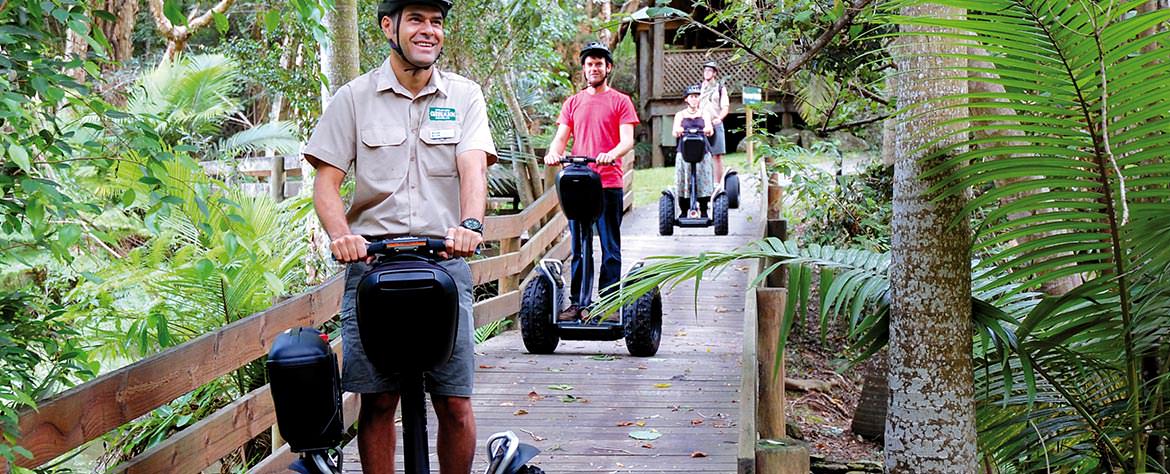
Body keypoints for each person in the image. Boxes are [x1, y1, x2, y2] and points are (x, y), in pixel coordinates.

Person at [302, 0, 497, 472]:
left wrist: (470, 225)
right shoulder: (353, 97)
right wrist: (340, 236)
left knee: (454, 403)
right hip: (372, 265)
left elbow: (473, 167)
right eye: (417, 20)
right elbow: (325, 184)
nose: (429, 31)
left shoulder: (464, 95)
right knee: (379, 401)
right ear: (389, 26)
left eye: (436, 22)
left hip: (444, 261)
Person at [542, 41, 639, 322]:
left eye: (599, 63)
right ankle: (578, 303)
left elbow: (627, 140)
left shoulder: (621, 101)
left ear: (608, 68)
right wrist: (553, 154)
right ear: (583, 70)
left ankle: (607, 304)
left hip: (608, 182)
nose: (594, 68)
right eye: (589, 64)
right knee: (579, 246)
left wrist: (611, 154)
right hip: (578, 183)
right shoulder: (573, 102)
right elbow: (561, 138)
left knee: (609, 247)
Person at [673, 84, 715, 218]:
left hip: (702, 151)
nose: (694, 99)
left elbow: (710, 128)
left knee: (703, 179)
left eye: (696, 97)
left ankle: (703, 209)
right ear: (686, 99)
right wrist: (678, 130)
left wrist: (708, 129)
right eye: (691, 97)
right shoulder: (680, 115)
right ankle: (684, 210)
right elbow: (674, 131)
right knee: (683, 180)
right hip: (684, 152)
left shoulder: (704, 114)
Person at [699, 60, 730, 181]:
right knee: (700, 155)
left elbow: (725, 107)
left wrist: (719, 118)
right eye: (705, 70)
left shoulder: (720, 88)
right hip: (702, 125)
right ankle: (703, 183)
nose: (707, 73)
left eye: (710, 70)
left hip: (715, 123)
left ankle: (719, 184)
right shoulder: (699, 88)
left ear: (715, 73)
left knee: (717, 156)